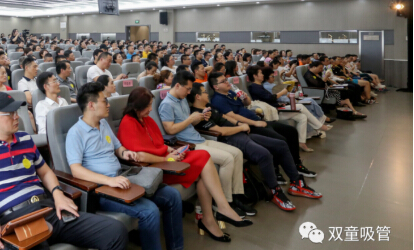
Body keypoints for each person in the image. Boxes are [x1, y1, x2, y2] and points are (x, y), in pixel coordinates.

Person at [0, 92, 128, 250]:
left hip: (46, 209)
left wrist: (57, 193)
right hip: (14, 222)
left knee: (115, 231)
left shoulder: (25, 139)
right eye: (10, 114)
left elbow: (45, 172)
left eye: (16, 112)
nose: (17, 117)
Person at [66, 82, 187, 250]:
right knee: (150, 211)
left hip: (123, 177)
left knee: (172, 195)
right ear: (91, 105)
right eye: (104, 101)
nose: (108, 104)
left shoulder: (103, 124)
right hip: (102, 189)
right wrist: (109, 181)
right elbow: (76, 170)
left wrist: (125, 153)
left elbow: (118, 147)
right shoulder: (75, 133)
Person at [117, 87, 250, 238]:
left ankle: (209, 220)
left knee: (203, 170)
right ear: (136, 107)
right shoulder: (128, 123)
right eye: (147, 106)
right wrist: (166, 158)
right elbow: (140, 157)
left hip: (166, 160)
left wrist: (172, 151)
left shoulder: (146, 119)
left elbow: (159, 143)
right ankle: (222, 208)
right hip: (154, 168)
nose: (150, 109)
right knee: (203, 157)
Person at [189, 83, 321, 211]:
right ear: (198, 97)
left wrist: (239, 124)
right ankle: (275, 191)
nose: (207, 94)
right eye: (204, 92)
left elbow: (224, 116)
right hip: (230, 138)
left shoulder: (209, 107)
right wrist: (240, 127)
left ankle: (296, 183)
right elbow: (220, 131)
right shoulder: (197, 115)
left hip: (240, 133)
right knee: (264, 154)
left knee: (281, 145)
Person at [158, 71, 253, 216]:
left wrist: (201, 117)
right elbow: (170, 129)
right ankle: (224, 202)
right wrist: (190, 119)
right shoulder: (166, 104)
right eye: (187, 89)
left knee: (237, 153)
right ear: (177, 85)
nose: (189, 92)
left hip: (199, 138)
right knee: (227, 159)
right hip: (188, 144)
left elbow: (189, 123)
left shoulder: (182, 100)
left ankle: (236, 195)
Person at [208, 72, 317, 181]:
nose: (227, 82)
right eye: (223, 81)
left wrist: (245, 98)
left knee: (291, 131)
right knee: (279, 140)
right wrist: (255, 123)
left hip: (257, 121)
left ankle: (297, 164)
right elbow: (232, 116)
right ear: (216, 87)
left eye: (226, 80)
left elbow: (246, 104)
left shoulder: (231, 93)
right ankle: (275, 171)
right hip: (250, 126)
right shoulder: (218, 100)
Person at [247, 66, 331, 152]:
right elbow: (270, 98)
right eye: (260, 73)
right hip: (273, 112)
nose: (262, 75)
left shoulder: (259, 86)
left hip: (276, 108)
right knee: (301, 106)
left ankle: (301, 142)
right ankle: (319, 126)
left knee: (302, 117)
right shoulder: (254, 87)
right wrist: (282, 92)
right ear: (255, 76)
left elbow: (269, 100)